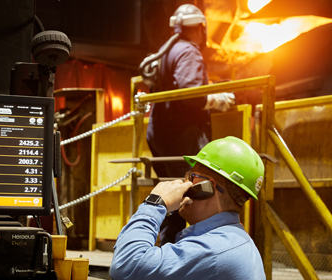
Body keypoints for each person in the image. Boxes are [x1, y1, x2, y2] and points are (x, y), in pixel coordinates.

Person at [142, 4, 235, 245]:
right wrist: (215, 99)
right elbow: (188, 92)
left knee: (174, 199)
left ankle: (168, 252)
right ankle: (192, 253)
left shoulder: (168, 51)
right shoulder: (188, 51)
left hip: (161, 135)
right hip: (182, 137)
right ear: (201, 28)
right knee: (195, 196)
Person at [109, 136, 265, 280]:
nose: (183, 183)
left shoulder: (213, 250)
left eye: (190, 177)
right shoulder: (234, 239)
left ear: (206, 187)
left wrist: (154, 203)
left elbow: (126, 265)